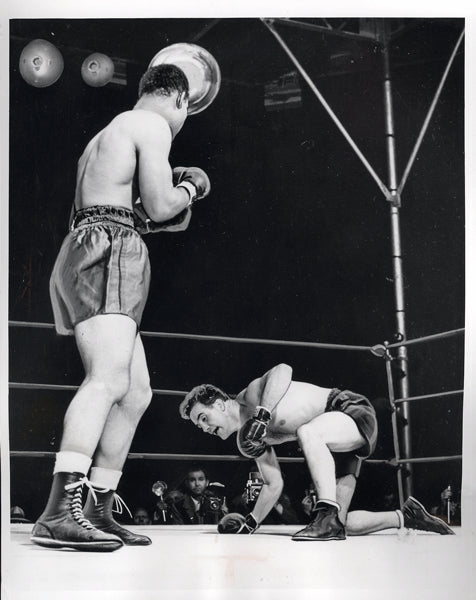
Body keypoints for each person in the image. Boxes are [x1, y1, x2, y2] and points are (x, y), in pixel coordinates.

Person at [31, 63, 212, 552]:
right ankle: (57, 510)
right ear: (178, 100)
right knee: (108, 379)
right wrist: (192, 186)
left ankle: (97, 507)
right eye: (187, 110)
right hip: (107, 251)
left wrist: (165, 207)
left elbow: (129, 214)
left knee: (135, 392)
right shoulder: (151, 125)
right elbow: (159, 205)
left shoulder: (106, 135)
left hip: (96, 243)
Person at [180, 363, 454, 540]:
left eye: (203, 418)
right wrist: (250, 524)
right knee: (342, 523)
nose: (203, 428)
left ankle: (326, 517)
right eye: (197, 425)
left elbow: (283, 369)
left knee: (307, 432)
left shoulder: (251, 397)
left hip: (347, 410)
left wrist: (262, 414)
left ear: (219, 403)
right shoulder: (249, 438)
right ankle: (407, 516)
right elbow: (273, 483)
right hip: (332, 440)